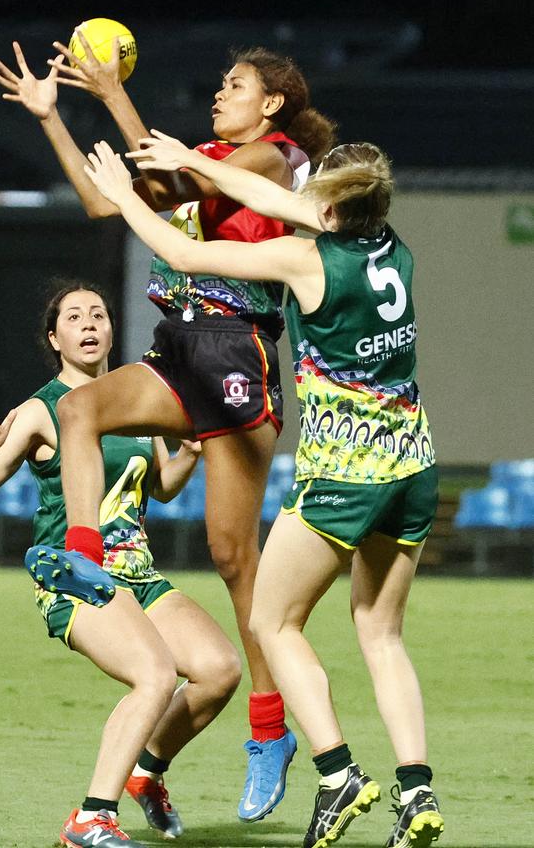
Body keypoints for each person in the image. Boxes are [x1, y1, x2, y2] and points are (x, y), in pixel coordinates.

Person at [0, 38, 336, 821]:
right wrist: (55, 117)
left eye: (235, 83)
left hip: (237, 348)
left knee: (233, 556)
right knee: (77, 409)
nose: (221, 92)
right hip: (177, 345)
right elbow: (105, 198)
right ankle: (82, 557)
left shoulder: (275, 160)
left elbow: (177, 180)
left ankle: (269, 730)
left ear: (272, 104)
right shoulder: (207, 153)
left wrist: (115, 97)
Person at [85, 134, 445, 848]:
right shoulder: (391, 245)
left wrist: (127, 197)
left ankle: (338, 773)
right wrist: (193, 162)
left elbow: (188, 256)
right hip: (414, 460)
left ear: (331, 212)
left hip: (347, 471)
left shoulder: (306, 258)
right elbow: (270, 197)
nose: (299, 204)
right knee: (380, 631)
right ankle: (417, 791)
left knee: (272, 624)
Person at [0, 280, 241, 848]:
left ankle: (146, 770)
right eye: (74, 318)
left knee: (219, 670)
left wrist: (188, 452)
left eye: (99, 315)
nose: (89, 325)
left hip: (140, 577)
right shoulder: (42, 409)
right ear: (55, 338)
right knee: (156, 675)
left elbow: (159, 489)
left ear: (112, 330)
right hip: (77, 579)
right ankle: (89, 819)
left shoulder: (133, 400)